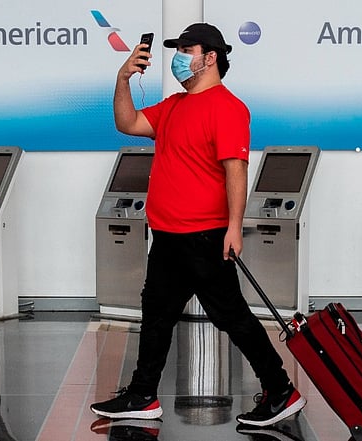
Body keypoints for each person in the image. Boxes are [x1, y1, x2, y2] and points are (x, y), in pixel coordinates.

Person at [89, 23, 306, 427]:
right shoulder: (173, 106)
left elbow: (235, 170)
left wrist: (235, 227)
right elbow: (128, 123)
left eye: (187, 48)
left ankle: (280, 390)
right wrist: (122, 78)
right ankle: (143, 395)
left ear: (211, 57)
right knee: (155, 315)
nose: (179, 55)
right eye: (178, 48)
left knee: (232, 316)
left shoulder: (227, 107)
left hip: (204, 236)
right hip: (168, 236)